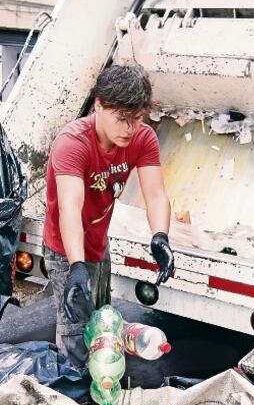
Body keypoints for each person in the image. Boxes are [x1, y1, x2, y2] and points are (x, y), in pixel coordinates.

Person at [42, 64, 174, 367]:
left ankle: (100, 384)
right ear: (99, 105)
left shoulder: (143, 138)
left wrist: (161, 237)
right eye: (122, 119)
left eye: (137, 119)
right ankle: (72, 395)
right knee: (76, 331)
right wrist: (76, 265)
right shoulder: (72, 143)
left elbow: (155, 194)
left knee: (102, 322)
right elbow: (70, 207)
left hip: (99, 244)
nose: (129, 129)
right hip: (66, 248)